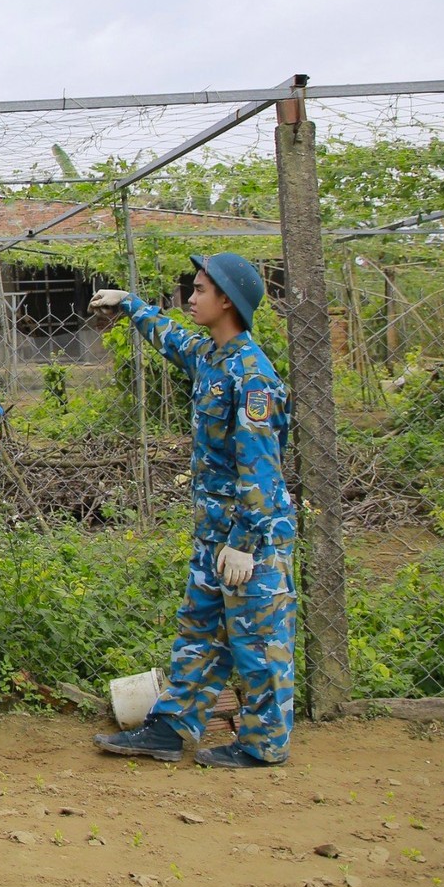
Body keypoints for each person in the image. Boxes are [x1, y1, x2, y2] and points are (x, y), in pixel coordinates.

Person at [89, 253, 295, 769]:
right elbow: (173, 340)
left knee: (258, 639)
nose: (190, 297)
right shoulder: (214, 358)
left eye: (200, 290)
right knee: (199, 631)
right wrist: (131, 305)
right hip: (215, 533)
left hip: (251, 537)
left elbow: (262, 470)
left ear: (227, 300)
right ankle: (171, 728)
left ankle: (264, 746)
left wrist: (245, 545)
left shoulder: (252, 375)